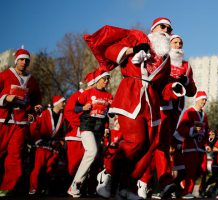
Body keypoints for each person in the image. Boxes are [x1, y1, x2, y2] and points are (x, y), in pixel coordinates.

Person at [85, 17, 185, 199]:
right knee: (136, 141)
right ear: (153, 28)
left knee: (149, 146)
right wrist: (133, 49)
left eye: (169, 29)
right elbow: (109, 50)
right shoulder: (137, 37)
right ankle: (107, 173)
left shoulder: (166, 59)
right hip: (131, 95)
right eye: (162, 26)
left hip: (152, 102)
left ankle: (127, 186)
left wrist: (175, 87)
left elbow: (162, 87)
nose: (166, 31)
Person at [137, 34, 197, 199]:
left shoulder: (186, 65)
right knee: (158, 144)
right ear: (169, 45)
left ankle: (159, 185)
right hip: (162, 106)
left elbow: (192, 91)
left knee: (164, 147)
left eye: (180, 43)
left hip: (176, 110)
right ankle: (145, 181)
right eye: (175, 42)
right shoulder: (163, 60)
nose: (178, 45)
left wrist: (186, 82)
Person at [0, 48, 42, 196]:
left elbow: (37, 99)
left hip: (21, 123)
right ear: (16, 60)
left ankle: (6, 187)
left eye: (27, 60)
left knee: (15, 155)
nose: (24, 62)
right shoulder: (5, 75)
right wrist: (5, 98)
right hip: (3, 121)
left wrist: (34, 110)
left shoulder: (32, 81)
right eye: (22, 59)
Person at [67, 68, 113, 198]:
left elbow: (108, 115)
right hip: (86, 126)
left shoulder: (109, 96)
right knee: (91, 151)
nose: (106, 81)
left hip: (98, 129)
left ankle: (88, 187)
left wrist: (106, 127)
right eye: (104, 79)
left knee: (96, 158)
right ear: (98, 80)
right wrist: (83, 108)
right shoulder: (88, 92)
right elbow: (75, 108)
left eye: (108, 79)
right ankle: (76, 183)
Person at [173, 91, 211, 199]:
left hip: (200, 147)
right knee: (191, 170)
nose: (204, 102)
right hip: (190, 146)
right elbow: (181, 128)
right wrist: (191, 130)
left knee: (201, 170)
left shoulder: (204, 115)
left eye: (205, 100)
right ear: (197, 99)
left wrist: (207, 141)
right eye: (203, 99)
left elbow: (206, 129)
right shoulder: (189, 112)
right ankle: (186, 192)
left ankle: (183, 183)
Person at [28, 96, 66, 195]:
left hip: (53, 147)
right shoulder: (44, 113)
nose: (64, 104)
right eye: (63, 102)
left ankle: (44, 188)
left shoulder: (62, 116)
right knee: (38, 168)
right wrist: (37, 140)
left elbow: (61, 131)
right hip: (41, 145)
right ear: (57, 103)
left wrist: (60, 140)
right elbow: (34, 125)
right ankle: (33, 188)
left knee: (50, 168)